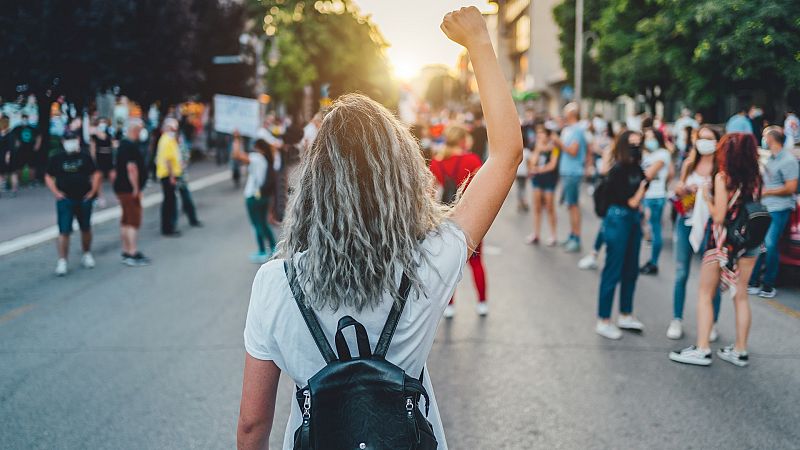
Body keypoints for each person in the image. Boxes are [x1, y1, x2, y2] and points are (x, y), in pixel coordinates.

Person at [237, 7, 522, 448]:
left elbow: (253, 425)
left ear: (314, 184)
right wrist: (480, 45)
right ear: (403, 177)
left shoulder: (275, 283)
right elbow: (506, 155)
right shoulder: (429, 262)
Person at [670, 133, 763, 367]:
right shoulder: (756, 177)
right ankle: (740, 350)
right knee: (740, 296)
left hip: (723, 243)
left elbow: (719, 216)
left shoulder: (723, 178)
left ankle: (702, 349)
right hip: (749, 242)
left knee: (705, 294)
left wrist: (706, 198)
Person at [668, 126, 722, 340]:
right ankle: (676, 319)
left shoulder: (720, 169)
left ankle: (712, 323)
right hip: (686, 221)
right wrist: (681, 190)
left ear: (718, 142)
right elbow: (678, 188)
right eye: (701, 138)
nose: (704, 142)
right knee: (681, 273)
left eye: (709, 139)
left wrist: (707, 194)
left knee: (712, 278)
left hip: (711, 226)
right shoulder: (690, 163)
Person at [594, 131, 648, 339]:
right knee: (613, 269)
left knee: (631, 269)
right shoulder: (617, 170)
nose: (636, 147)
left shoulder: (636, 167)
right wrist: (641, 192)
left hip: (633, 219)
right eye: (631, 143)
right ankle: (603, 319)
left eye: (638, 143)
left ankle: (626, 314)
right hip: (618, 219)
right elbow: (632, 200)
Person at [430, 124, 487, 318]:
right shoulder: (472, 160)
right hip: (473, 217)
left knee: (448, 264)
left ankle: (450, 305)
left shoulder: (436, 163)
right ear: (463, 140)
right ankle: (482, 302)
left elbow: (430, 195)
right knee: (477, 262)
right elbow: (483, 191)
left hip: (445, 219)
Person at [748, 126, 798, 298]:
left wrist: (768, 192)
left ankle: (768, 285)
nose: (763, 140)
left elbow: (791, 187)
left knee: (769, 244)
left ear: (770, 139)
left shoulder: (788, 161)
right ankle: (754, 282)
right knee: (760, 245)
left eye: (764, 136)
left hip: (779, 208)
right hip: (766, 207)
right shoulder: (771, 159)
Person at [44, 131, 101, 276]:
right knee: (64, 231)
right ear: (63, 141)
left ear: (78, 140)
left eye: (73, 139)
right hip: (66, 199)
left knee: (86, 228)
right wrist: (56, 193)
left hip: (83, 198)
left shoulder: (85, 156)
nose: (71, 142)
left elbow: (96, 174)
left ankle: (86, 254)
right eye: (67, 139)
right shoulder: (57, 157)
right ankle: (62, 260)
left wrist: (93, 192)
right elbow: (48, 176)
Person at [232, 133, 278, 263]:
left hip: (253, 196)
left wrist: (236, 139)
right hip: (264, 196)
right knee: (264, 224)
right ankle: (274, 248)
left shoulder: (257, 158)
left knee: (257, 224)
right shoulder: (267, 160)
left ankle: (262, 251)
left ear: (259, 148)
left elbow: (237, 155)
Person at [113, 119, 150, 266]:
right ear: (134, 130)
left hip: (121, 188)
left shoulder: (123, 144)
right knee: (133, 221)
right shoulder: (130, 146)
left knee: (126, 220)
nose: (141, 133)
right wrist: (136, 188)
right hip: (129, 189)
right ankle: (132, 253)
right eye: (140, 130)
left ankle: (126, 251)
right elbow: (131, 169)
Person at [552, 102, 588, 253]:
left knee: (573, 206)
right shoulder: (568, 130)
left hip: (573, 172)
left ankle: (577, 238)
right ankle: (572, 235)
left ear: (572, 114)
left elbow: (573, 151)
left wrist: (559, 143)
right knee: (570, 205)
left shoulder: (578, 131)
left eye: (566, 111)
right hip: (567, 172)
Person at [639, 128, 671, 275]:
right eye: (646, 137)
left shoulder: (662, 154)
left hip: (655, 196)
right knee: (650, 227)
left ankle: (654, 262)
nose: (648, 140)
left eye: (651, 137)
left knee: (655, 228)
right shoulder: (647, 154)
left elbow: (649, 174)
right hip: (648, 195)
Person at [527, 123, 559, 245]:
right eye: (538, 133)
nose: (539, 135)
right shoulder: (537, 146)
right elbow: (533, 162)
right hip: (538, 180)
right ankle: (536, 234)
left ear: (548, 135)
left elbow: (553, 165)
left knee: (550, 207)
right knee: (537, 207)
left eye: (542, 133)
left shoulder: (555, 148)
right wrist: (538, 150)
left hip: (549, 179)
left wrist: (539, 170)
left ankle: (553, 235)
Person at [156, 118, 183, 236]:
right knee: (169, 202)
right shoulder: (167, 140)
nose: (174, 131)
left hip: (168, 175)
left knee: (169, 201)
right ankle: (168, 228)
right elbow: (168, 160)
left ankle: (169, 227)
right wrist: (172, 176)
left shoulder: (168, 139)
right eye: (172, 128)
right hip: (167, 175)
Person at [0, 117, 15, 196]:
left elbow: (9, 147)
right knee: (11, 173)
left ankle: (3, 189)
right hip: (7, 156)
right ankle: (12, 190)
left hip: (5, 156)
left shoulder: (6, 134)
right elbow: (11, 146)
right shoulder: (10, 133)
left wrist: (7, 156)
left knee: (3, 174)